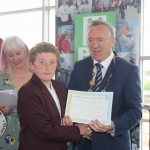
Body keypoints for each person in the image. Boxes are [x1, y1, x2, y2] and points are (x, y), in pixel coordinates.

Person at [67, 20, 142, 150]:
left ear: (112, 41)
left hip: (113, 145)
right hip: (82, 145)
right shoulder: (79, 67)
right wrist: (72, 121)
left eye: (100, 40)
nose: (94, 45)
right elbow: (69, 100)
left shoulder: (129, 70)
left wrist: (113, 125)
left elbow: (135, 111)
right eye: (90, 40)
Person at [17, 42, 91, 150]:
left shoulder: (60, 87)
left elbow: (62, 119)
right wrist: (78, 130)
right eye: (42, 62)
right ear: (31, 65)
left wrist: (68, 123)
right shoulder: (27, 91)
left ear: (57, 64)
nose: (47, 67)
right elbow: (44, 130)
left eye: (52, 62)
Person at [0, 36, 32, 150]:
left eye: (18, 53)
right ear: (5, 57)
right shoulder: (1, 78)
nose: (15, 58)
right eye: (10, 55)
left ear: (25, 52)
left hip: (33, 131)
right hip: (6, 134)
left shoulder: (38, 76)